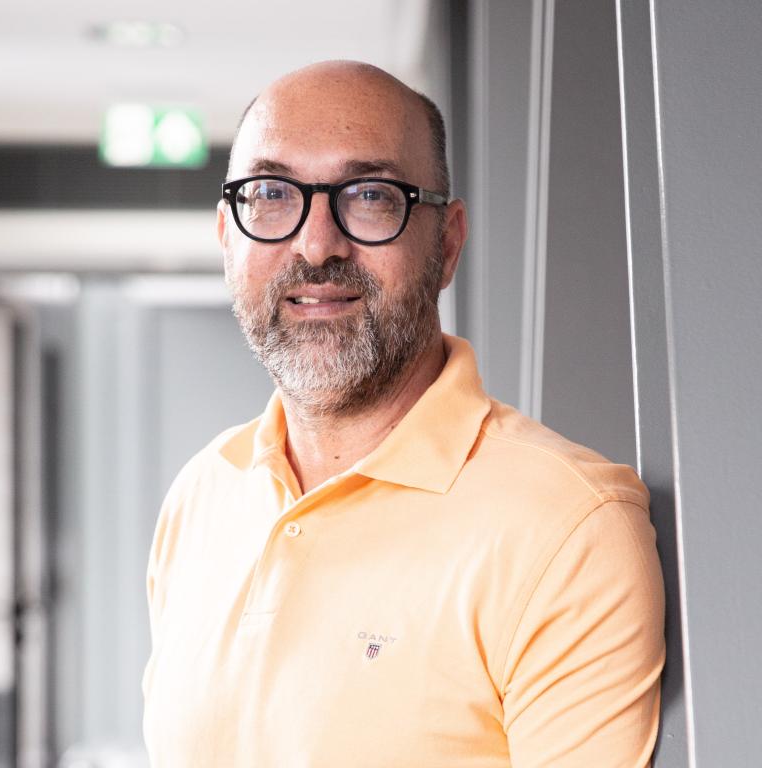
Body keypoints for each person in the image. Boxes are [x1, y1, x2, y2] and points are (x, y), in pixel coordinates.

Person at [142, 60, 665, 767]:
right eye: (270, 193)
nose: (316, 243)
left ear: (446, 244)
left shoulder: (566, 529)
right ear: (228, 238)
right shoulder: (200, 497)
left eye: (369, 195)